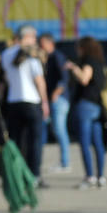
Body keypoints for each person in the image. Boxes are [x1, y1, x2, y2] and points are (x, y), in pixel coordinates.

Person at [67, 37, 107, 188]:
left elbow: (84, 79)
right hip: (98, 106)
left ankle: (90, 176)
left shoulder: (88, 61)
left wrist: (74, 68)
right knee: (98, 143)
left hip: (87, 104)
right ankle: (100, 176)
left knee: (85, 142)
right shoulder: (101, 62)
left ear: (84, 48)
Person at [1, 26, 49, 181]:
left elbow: (7, 78)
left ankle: (18, 175)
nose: (35, 40)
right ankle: (34, 175)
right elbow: (39, 81)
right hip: (32, 102)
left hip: (14, 102)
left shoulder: (6, 54)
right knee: (35, 141)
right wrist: (45, 102)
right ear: (26, 37)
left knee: (17, 141)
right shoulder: (31, 55)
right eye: (33, 37)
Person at [40, 33, 72, 173]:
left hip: (59, 100)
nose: (40, 47)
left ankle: (65, 163)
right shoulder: (48, 58)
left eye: (42, 44)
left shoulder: (57, 57)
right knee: (55, 129)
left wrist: (55, 94)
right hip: (53, 99)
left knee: (60, 130)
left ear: (49, 43)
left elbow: (64, 78)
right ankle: (63, 162)